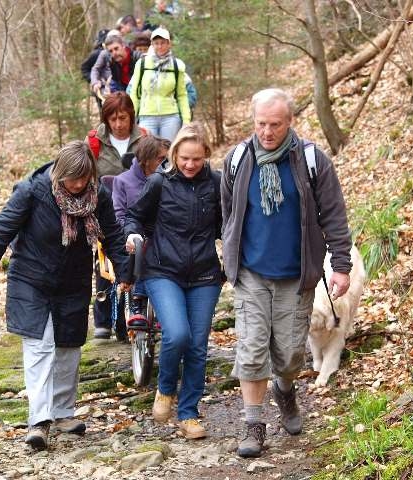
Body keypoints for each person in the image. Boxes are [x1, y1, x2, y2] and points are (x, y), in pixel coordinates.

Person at [0, 141, 130, 451]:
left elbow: (113, 236)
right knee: (40, 346)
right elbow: (0, 231)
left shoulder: (99, 197)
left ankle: (63, 413)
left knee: (69, 346)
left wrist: (124, 273)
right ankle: (39, 421)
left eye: (85, 178)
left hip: (73, 279)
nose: (79, 185)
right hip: (31, 278)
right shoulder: (33, 191)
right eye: (73, 179)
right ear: (60, 173)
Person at [220, 88, 353, 458]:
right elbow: (228, 213)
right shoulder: (237, 159)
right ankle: (253, 424)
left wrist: (340, 265)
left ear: (290, 122)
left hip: (296, 275)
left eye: (275, 125)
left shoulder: (312, 161)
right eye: (261, 124)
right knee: (251, 347)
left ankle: (285, 389)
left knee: (291, 355)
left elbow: (334, 216)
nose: (267, 132)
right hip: (251, 274)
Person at [124, 122, 222, 440]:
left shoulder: (218, 185)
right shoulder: (159, 183)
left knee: (197, 345)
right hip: (163, 270)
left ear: (206, 155)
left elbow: (229, 226)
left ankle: (189, 413)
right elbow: (134, 216)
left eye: (197, 159)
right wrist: (132, 234)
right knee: (177, 335)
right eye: (184, 158)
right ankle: (165, 388)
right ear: (175, 154)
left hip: (205, 275)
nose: (190, 165)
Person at [86, 92, 148, 339]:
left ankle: (129, 320)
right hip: (104, 206)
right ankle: (103, 320)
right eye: (113, 118)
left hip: (136, 205)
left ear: (131, 116)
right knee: (105, 261)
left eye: (123, 118)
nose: (119, 124)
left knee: (134, 259)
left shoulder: (143, 137)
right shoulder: (95, 142)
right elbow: (86, 173)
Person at [111, 135, 170, 325]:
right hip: (131, 236)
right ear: (146, 160)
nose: (166, 163)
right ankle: (138, 300)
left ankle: (166, 307)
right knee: (144, 245)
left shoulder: (169, 178)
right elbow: (118, 216)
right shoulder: (123, 182)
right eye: (161, 159)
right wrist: (132, 232)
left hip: (163, 235)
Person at [129, 27, 191, 141]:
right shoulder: (142, 64)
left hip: (171, 116)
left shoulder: (177, 65)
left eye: (163, 43)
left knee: (169, 153)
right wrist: (131, 117)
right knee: (148, 152)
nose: (160, 46)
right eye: (156, 43)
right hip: (147, 116)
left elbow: (182, 95)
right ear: (152, 44)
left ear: (169, 44)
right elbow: (135, 93)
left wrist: (186, 120)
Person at [80, 28, 111, 114]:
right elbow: (84, 68)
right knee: (105, 113)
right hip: (101, 89)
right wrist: (94, 80)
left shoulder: (115, 51)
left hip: (114, 86)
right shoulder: (96, 54)